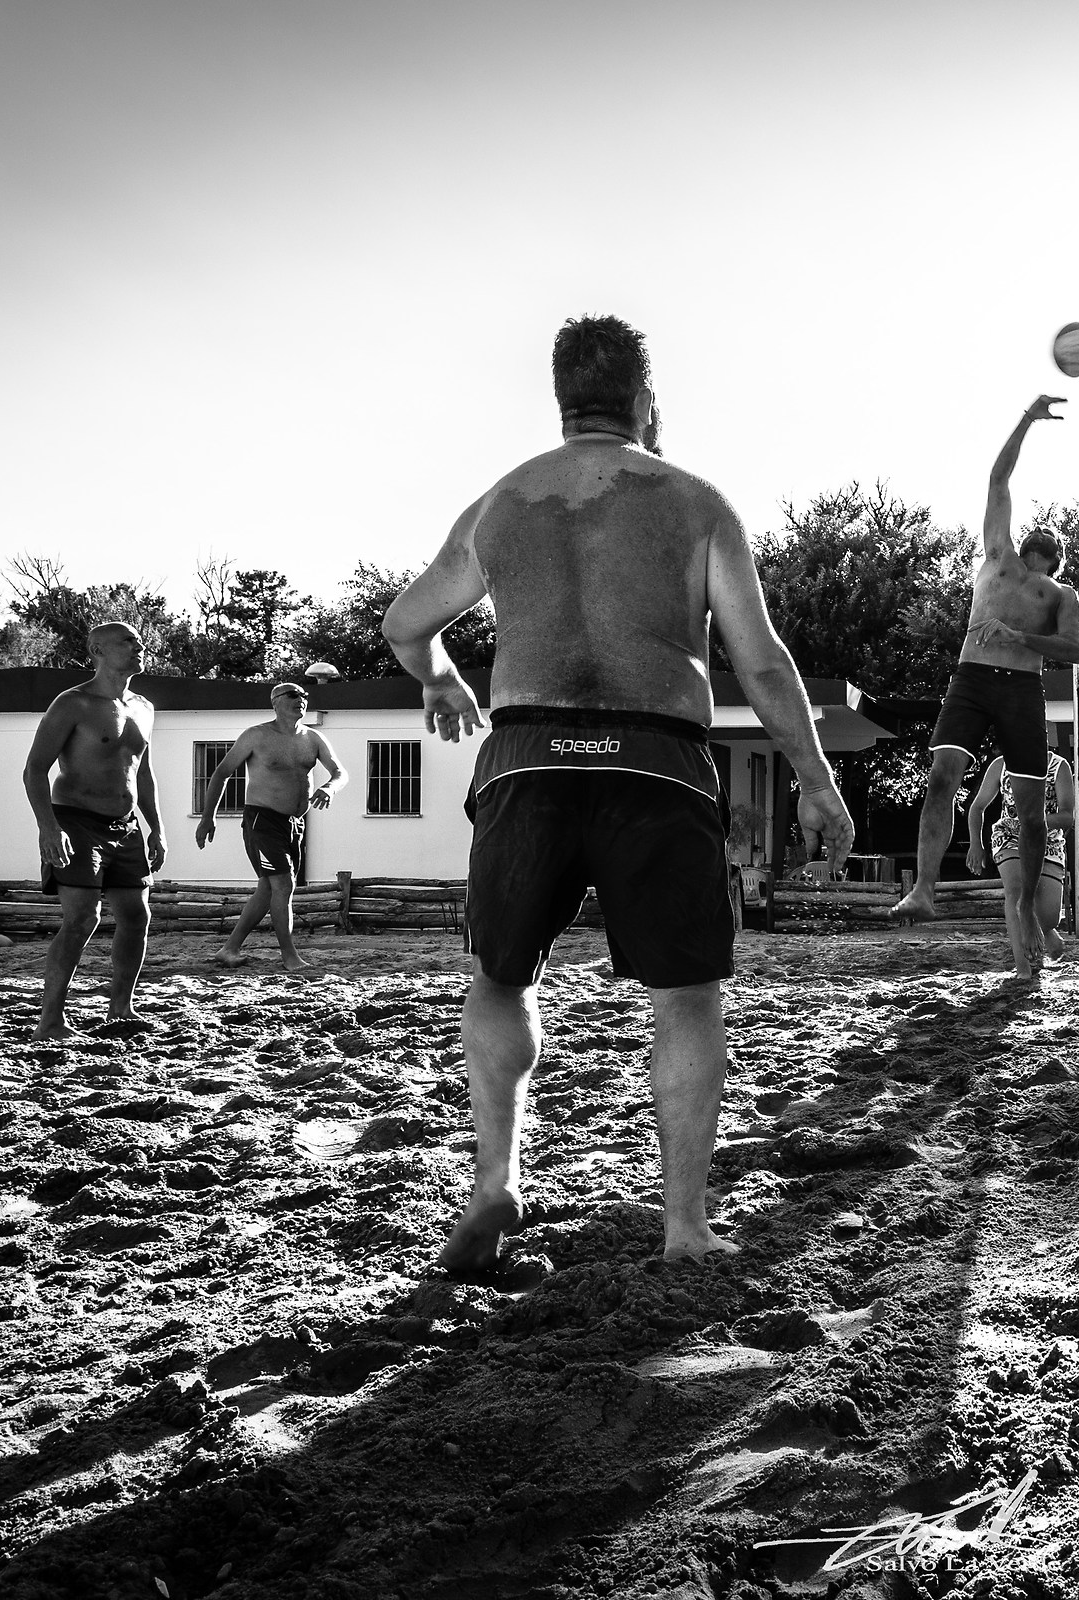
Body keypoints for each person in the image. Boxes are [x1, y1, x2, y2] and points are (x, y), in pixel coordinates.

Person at [382, 314, 853, 1268]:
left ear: (561, 403)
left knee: (501, 979)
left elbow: (404, 621)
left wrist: (437, 677)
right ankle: (684, 1226)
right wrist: (815, 778)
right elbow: (761, 665)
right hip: (656, 760)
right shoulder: (693, 502)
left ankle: (497, 1181)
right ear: (646, 399)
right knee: (687, 999)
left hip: (525, 758)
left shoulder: (502, 505)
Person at [887, 396, 1079, 980]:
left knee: (1028, 813)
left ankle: (1025, 908)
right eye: (1039, 554)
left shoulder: (1061, 597)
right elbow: (998, 477)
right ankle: (923, 889)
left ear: (1054, 563)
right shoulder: (996, 557)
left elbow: (1073, 652)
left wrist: (1021, 639)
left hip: (1022, 690)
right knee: (942, 777)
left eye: (1049, 560)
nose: (1041, 563)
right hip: (971, 679)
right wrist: (1027, 418)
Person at [22, 621, 166, 1038]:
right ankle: (51, 1021)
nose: (139, 646)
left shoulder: (144, 706)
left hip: (126, 825)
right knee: (83, 918)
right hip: (76, 821)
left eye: (140, 640)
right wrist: (48, 827)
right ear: (97, 649)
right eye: (128, 641)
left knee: (137, 916)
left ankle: (121, 1008)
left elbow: (144, 773)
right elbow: (34, 769)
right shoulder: (74, 703)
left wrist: (156, 828)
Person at [194, 682, 348, 972]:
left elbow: (340, 773)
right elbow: (222, 773)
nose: (301, 699)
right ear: (275, 702)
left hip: (293, 823)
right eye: (293, 695)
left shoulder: (313, 738)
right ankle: (290, 956)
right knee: (283, 884)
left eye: (304, 695)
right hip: (261, 819)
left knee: (268, 887)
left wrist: (330, 787)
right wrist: (207, 816)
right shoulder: (256, 735)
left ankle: (229, 949)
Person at [967, 749, 1076, 960]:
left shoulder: (1059, 767)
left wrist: (1036, 824)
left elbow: (1066, 817)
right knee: (1016, 892)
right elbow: (977, 807)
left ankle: (1046, 930)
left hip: (1048, 840)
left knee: (1050, 918)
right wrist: (975, 844)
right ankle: (1023, 969)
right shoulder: (1001, 764)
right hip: (1009, 835)